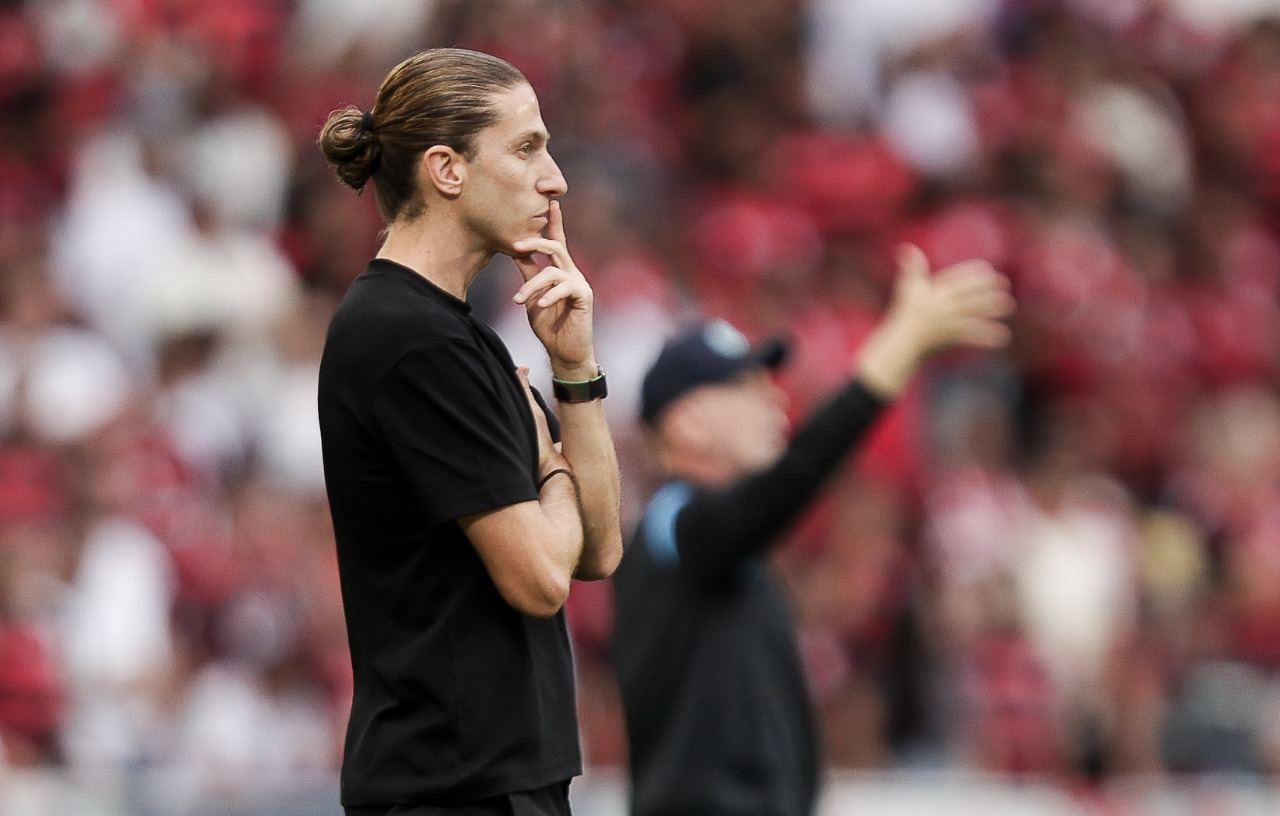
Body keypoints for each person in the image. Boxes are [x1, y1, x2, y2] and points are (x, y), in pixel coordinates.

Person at [315, 48, 623, 816]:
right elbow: (541, 578)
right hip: (450, 787)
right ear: (446, 170)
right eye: (526, 148)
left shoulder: (459, 334)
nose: (554, 179)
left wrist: (576, 370)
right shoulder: (406, 336)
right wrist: (553, 472)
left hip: (495, 779)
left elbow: (598, 549)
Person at [610, 245, 1015, 816]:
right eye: (745, 388)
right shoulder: (672, 523)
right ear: (688, 422)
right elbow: (787, 485)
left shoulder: (727, 548)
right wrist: (894, 352)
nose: (775, 399)